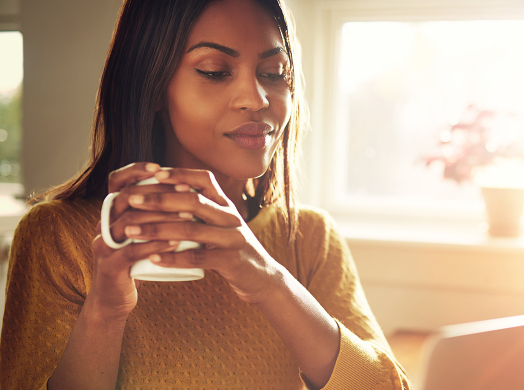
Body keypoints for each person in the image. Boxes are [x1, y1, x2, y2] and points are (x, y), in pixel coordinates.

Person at [0, 0, 411, 388]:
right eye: (215, 71)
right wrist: (105, 312)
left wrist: (268, 280)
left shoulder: (309, 238)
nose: (257, 98)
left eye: (274, 73)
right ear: (153, 83)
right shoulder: (57, 237)